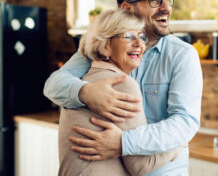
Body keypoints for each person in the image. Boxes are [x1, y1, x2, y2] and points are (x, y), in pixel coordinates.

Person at [44, 0, 203, 175]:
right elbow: (53, 84)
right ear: (127, 8)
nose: (165, 7)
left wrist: (123, 143)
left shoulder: (182, 55)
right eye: (154, 0)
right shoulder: (104, 47)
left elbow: (185, 122)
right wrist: (86, 93)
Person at [58, 9, 182, 176]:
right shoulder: (121, 84)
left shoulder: (81, 81)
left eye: (142, 36)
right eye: (129, 36)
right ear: (105, 46)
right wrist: (178, 144)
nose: (140, 44)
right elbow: (140, 165)